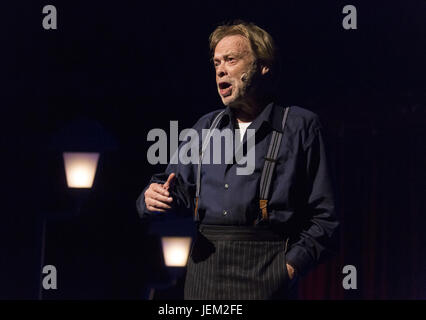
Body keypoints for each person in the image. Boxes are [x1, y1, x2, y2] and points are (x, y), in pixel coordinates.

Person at [136, 20, 339, 300]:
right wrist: (152, 197)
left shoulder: (300, 126)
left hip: (267, 272)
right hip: (204, 275)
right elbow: (173, 189)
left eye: (231, 60)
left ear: (262, 66)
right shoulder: (204, 129)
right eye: (216, 62)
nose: (220, 69)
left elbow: (326, 219)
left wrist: (288, 269)